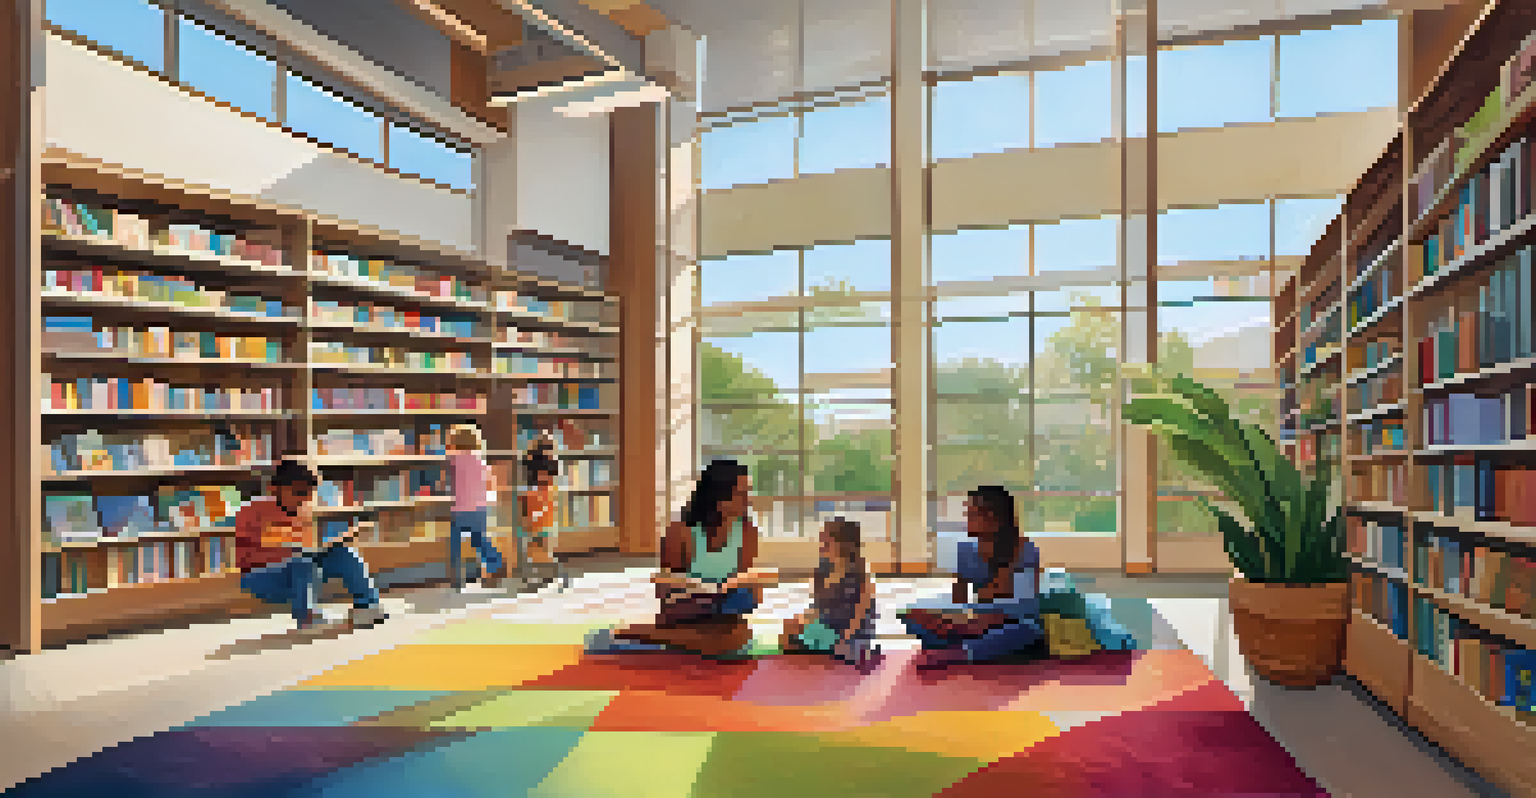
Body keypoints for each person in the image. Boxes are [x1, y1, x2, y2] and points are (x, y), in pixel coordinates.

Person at [611, 459, 780, 657]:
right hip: (686, 609)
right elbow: (664, 590)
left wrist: (750, 584)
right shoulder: (680, 532)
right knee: (731, 641)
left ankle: (651, 635)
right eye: (741, 494)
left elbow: (744, 579)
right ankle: (664, 634)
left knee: (740, 634)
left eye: (748, 492)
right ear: (719, 497)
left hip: (724, 612)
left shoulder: (747, 532)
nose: (748, 500)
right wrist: (699, 592)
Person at [234, 459, 388, 632]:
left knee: (343, 553)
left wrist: (336, 540)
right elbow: (252, 555)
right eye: (298, 492)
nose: (304, 499)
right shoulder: (251, 511)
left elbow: (310, 544)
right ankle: (308, 617)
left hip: (304, 571)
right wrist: (298, 548)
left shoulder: (306, 510)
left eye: (310, 493)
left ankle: (367, 606)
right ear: (274, 488)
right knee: (302, 562)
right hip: (262, 577)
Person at [899, 486, 1042, 668]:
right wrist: (953, 619)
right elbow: (959, 600)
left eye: (973, 515)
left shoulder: (1025, 551)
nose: (966, 520)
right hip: (974, 620)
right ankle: (974, 646)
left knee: (1029, 630)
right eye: (967, 513)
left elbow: (1025, 606)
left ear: (994, 519)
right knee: (914, 618)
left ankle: (962, 652)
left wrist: (987, 620)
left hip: (1009, 620)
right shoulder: (965, 550)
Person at [781, 517, 878, 665]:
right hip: (828, 627)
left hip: (851, 634)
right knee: (790, 625)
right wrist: (802, 620)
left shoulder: (859, 573)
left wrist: (843, 640)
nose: (821, 545)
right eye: (822, 540)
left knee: (837, 647)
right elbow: (819, 608)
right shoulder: (822, 570)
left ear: (843, 544)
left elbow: (861, 614)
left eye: (827, 541)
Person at [447, 424, 505, 589]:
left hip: (459, 508)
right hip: (480, 507)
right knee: (479, 539)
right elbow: (490, 482)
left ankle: (457, 580)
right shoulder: (481, 460)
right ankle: (495, 562)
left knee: (456, 545)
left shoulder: (454, 459)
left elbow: (447, 481)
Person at [519, 436, 559, 575]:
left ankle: (534, 559)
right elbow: (552, 478)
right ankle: (544, 558)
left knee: (531, 530)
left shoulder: (529, 458)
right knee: (544, 531)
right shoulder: (552, 460)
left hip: (533, 496)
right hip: (543, 497)